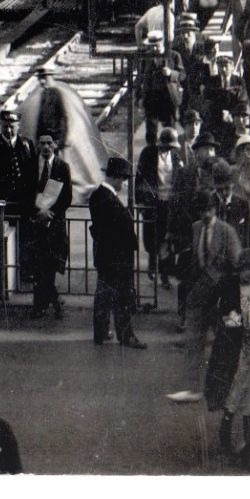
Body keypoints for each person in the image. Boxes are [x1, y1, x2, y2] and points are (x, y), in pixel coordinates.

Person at [205, 249, 250, 468]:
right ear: (239, 269)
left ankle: (248, 449)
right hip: (231, 348)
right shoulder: (227, 284)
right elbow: (209, 308)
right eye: (248, 268)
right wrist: (223, 321)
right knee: (233, 390)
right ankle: (226, 424)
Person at [171, 190, 240, 404]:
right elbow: (194, 260)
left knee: (225, 344)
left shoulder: (227, 231)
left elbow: (235, 263)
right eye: (202, 211)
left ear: (215, 210)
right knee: (193, 341)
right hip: (199, 293)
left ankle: (229, 389)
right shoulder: (195, 228)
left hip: (220, 296)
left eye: (209, 210)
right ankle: (193, 388)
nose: (206, 214)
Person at [89, 156, 145, 349]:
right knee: (122, 298)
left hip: (107, 257)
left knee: (104, 295)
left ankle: (101, 332)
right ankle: (126, 335)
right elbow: (112, 230)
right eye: (123, 178)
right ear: (115, 177)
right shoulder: (106, 198)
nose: (125, 182)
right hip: (116, 258)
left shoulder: (101, 196)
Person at [22, 136, 73, 318]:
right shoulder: (30, 166)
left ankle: (43, 306)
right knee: (38, 267)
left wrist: (50, 215)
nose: (45, 147)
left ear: (55, 145)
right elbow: (25, 193)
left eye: (49, 143)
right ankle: (47, 304)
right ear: (37, 146)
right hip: (35, 223)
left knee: (49, 266)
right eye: (42, 143)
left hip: (54, 225)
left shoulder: (62, 167)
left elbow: (67, 197)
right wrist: (37, 213)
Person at [137, 126, 183, 289]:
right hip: (152, 202)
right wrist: (140, 200)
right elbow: (139, 177)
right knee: (152, 236)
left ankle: (165, 274)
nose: (169, 149)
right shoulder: (148, 154)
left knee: (167, 237)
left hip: (169, 203)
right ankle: (152, 264)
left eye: (172, 147)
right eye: (167, 146)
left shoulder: (176, 157)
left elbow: (179, 179)